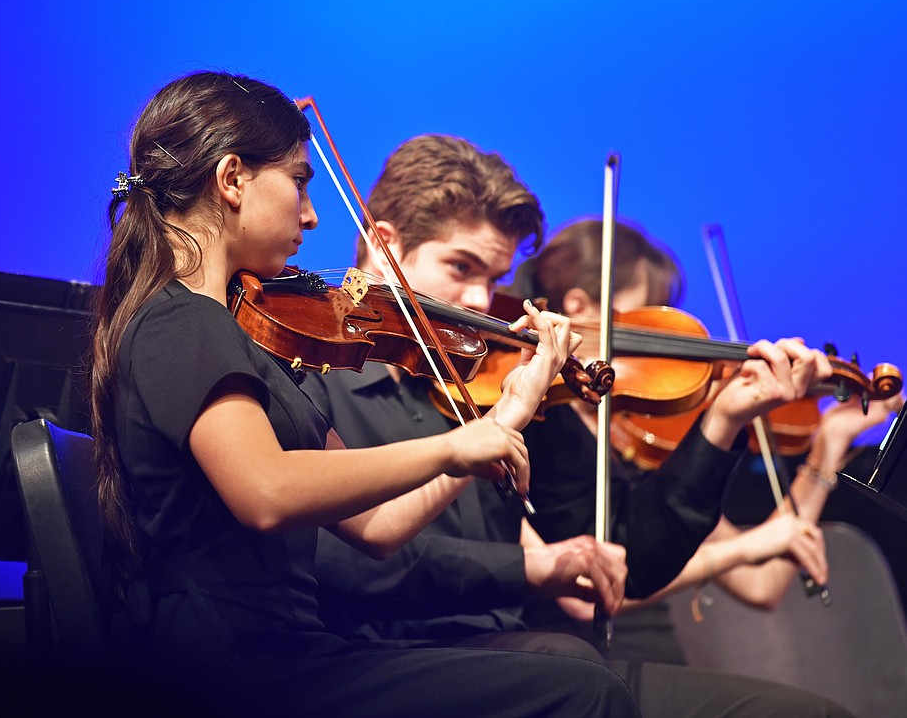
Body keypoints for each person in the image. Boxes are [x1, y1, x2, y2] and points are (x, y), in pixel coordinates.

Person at [88, 71, 639, 717]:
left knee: (572, 669)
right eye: (298, 181)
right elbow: (266, 492)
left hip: (295, 653)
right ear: (232, 178)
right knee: (583, 690)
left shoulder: (240, 336)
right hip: (236, 670)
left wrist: (505, 416)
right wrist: (454, 447)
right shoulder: (179, 322)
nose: (313, 213)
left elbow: (379, 527)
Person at [303, 138, 854, 717]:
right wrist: (531, 565)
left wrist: (724, 419)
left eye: (493, 279)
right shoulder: (309, 371)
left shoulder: (489, 380)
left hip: (512, 656)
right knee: (576, 672)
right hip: (388, 663)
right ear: (383, 245)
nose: (479, 302)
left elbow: (631, 563)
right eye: (461, 268)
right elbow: (342, 561)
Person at [513, 219, 902, 649]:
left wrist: (826, 448)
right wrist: (741, 548)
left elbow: (763, 584)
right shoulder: (540, 430)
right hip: (576, 657)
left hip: (657, 657)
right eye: (644, 321)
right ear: (581, 308)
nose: (658, 347)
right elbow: (583, 599)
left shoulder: (637, 446)